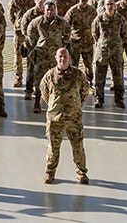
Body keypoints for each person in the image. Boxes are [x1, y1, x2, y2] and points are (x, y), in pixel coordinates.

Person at [40, 47, 90, 184]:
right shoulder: (49, 75)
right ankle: (49, 172)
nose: (62, 59)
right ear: (56, 58)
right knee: (53, 147)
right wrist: (54, 106)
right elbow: (44, 92)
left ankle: (81, 173)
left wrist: (76, 106)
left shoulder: (78, 75)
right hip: (55, 119)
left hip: (73, 118)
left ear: (70, 58)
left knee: (78, 146)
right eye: (60, 57)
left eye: (65, 57)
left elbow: (85, 92)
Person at [25, 2, 70, 114]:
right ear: (44, 10)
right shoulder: (39, 21)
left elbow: (68, 32)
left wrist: (63, 44)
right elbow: (30, 29)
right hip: (42, 55)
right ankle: (37, 101)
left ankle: (56, 103)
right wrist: (33, 43)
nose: (49, 12)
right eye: (47, 10)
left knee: (58, 79)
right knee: (39, 79)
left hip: (56, 57)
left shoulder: (61, 22)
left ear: (55, 10)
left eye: (52, 10)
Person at [91, 0, 127, 108]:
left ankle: (119, 99)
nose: (110, 7)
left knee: (118, 78)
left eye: (112, 4)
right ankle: (99, 99)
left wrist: (117, 44)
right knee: (99, 77)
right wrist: (102, 44)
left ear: (115, 6)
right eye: (108, 4)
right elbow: (95, 34)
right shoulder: (99, 19)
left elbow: (124, 34)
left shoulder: (120, 19)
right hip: (102, 52)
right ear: (104, 6)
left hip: (116, 52)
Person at [64, 0, 97, 84]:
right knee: (74, 66)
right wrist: (67, 41)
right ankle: (73, 84)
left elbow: (96, 25)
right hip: (75, 44)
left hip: (88, 43)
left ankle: (89, 83)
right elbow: (65, 26)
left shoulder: (92, 10)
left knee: (89, 66)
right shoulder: (72, 11)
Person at [8, 0, 36, 88]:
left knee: (32, 55)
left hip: (31, 33)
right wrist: (16, 23)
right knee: (18, 55)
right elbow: (10, 14)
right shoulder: (15, 1)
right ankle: (18, 78)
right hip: (19, 32)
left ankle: (32, 78)